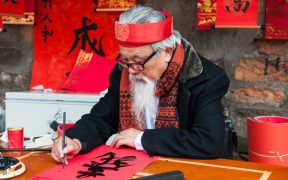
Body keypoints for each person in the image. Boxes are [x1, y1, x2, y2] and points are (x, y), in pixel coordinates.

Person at [51, 5, 230, 164]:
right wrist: (75, 140)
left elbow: (209, 141)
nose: (132, 70)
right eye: (125, 60)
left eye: (138, 60)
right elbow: (103, 117)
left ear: (166, 52)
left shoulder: (203, 78)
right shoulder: (124, 71)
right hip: (137, 166)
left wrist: (142, 139)